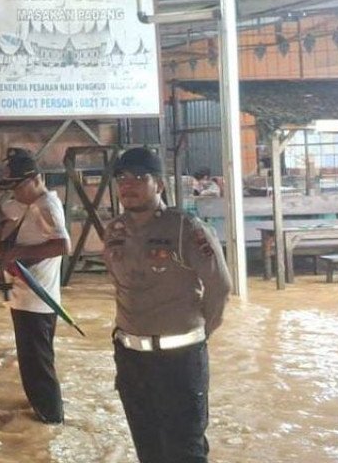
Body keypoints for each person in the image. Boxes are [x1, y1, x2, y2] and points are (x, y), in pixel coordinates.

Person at [104, 147, 232, 463]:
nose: (128, 185)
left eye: (138, 177)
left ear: (159, 185)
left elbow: (220, 286)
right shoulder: (114, 231)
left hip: (179, 360)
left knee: (184, 451)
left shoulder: (185, 229)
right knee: (148, 449)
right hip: (132, 359)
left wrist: (200, 334)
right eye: (122, 178)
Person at [0, 148, 70, 424]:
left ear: (35, 179)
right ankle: (37, 411)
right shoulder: (17, 203)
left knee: (40, 366)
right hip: (20, 296)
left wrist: (17, 253)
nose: (15, 193)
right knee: (30, 364)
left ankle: (50, 420)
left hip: (39, 300)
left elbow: (62, 245)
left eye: (18, 186)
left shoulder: (48, 205)